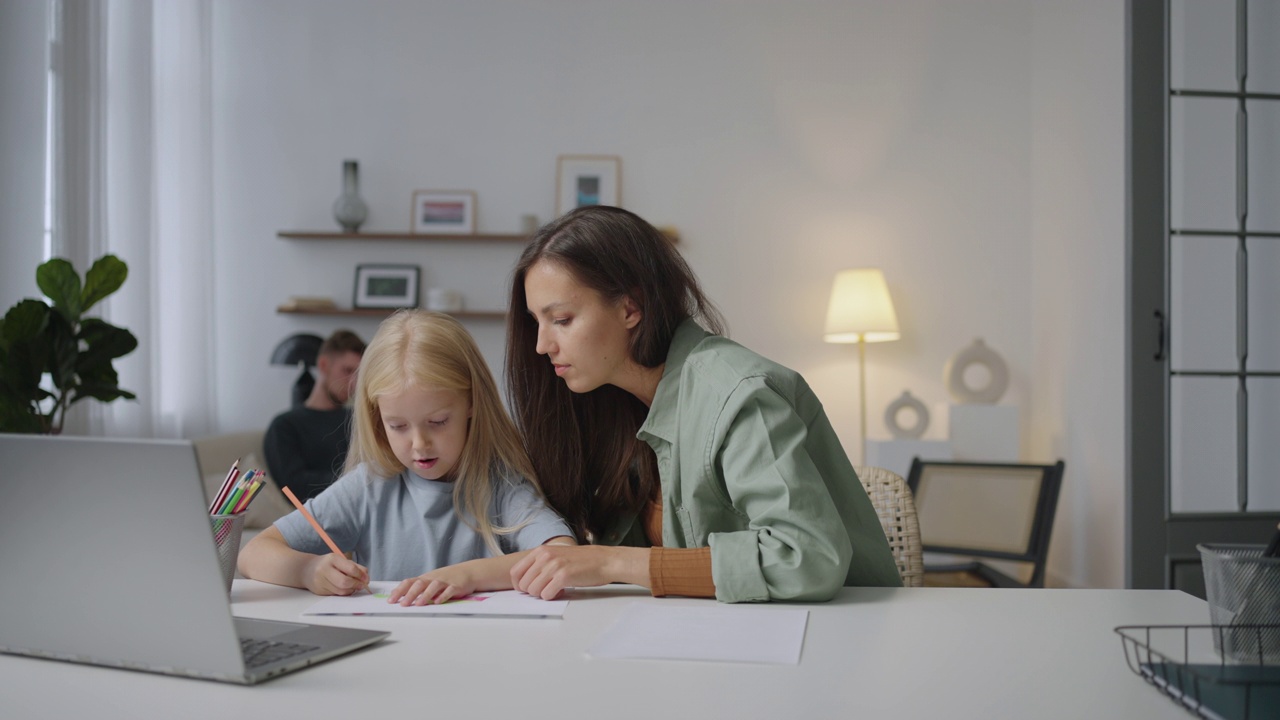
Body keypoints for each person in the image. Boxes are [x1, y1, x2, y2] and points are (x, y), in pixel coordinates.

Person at [504, 206, 902, 603]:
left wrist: (612, 563)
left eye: (562, 319)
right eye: (536, 322)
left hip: (837, 636)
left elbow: (806, 557)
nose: (541, 345)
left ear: (630, 308)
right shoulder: (616, 405)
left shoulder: (738, 394)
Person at [239, 310, 575, 604]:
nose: (419, 444)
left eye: (438, 422)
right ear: (376, 417)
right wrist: (308, 570)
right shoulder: (369, 486)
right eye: (397, 425)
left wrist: (466, 577)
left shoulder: (499, 484)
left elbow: (563, 554)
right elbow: (253, 554)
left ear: (472, 403)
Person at [264, 329, 364, 502]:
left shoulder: (359, 419)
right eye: (347, 371)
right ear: (324, 365)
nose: (353, 383)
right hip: (317, 515)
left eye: (358, 375)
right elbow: (294, 486)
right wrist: (357, 480)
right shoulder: (285, 425)